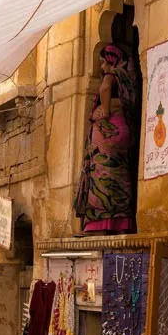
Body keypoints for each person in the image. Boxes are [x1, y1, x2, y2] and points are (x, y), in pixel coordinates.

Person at [73, 43, 137, 233]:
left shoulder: (112, 75)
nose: (101, 67)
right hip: (124, 130)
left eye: (103, 62)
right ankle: (121, 220)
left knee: (102, 174)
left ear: (111, 60)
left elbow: (105, 88)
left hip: (109, 133)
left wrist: (106, 110)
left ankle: (100, 222)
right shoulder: (128, 79)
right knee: (120, 174)